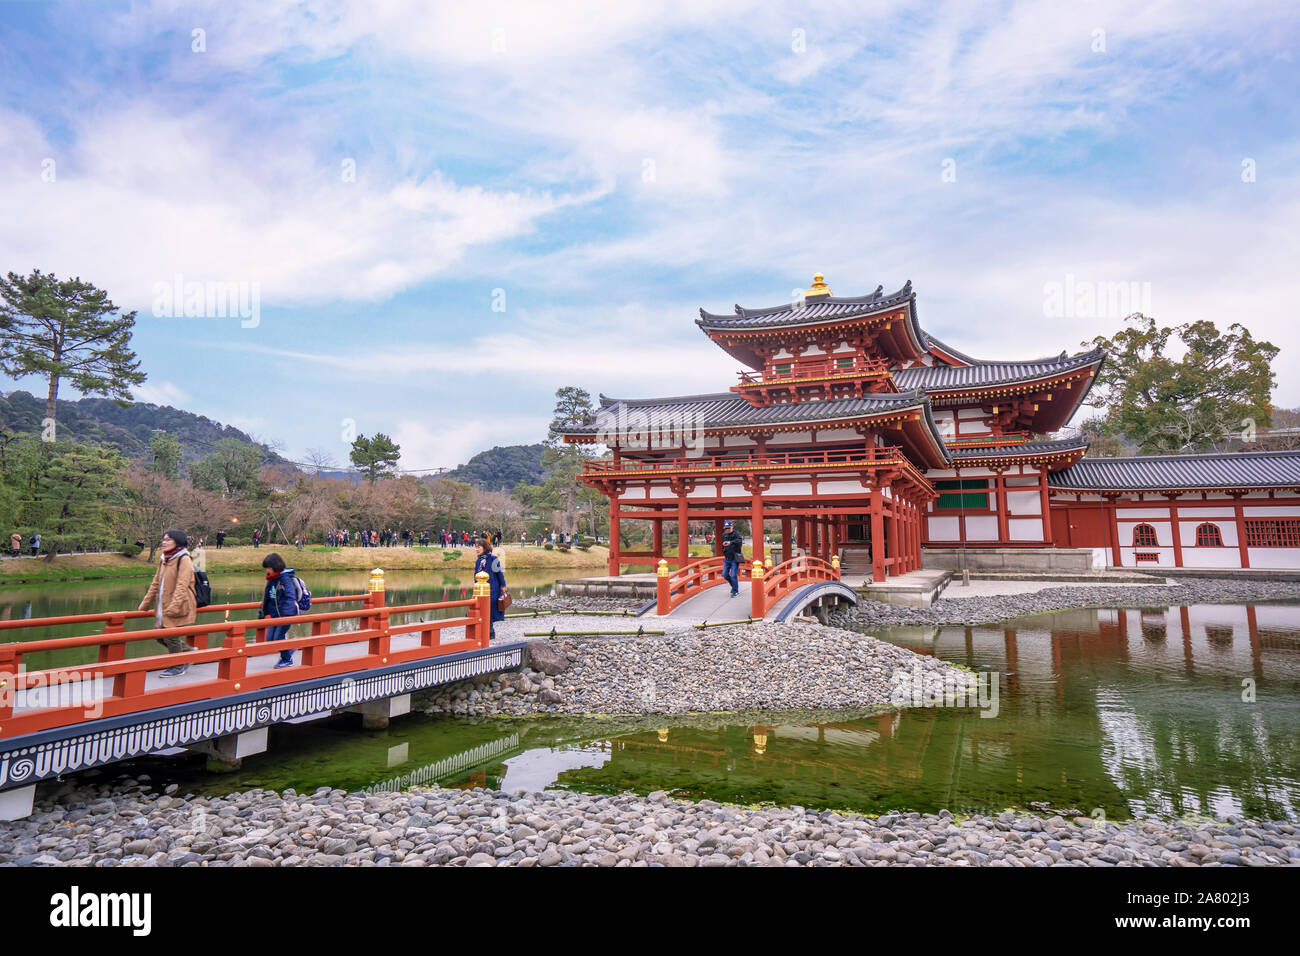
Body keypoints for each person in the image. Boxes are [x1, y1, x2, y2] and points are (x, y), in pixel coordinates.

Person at [138, 529, 198, 676]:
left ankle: (178, 666)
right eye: (163, 539)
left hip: (178, 604)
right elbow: (155, 583)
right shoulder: (165, 558)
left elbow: (182, 585)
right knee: (159, 635)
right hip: (163, 604)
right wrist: (144, 605)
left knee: (170, 635)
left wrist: (173, 607)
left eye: (168, 540)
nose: (164, 542)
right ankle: (188, 652)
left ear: (177, 542)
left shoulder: (184, 558)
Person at [259, 552, 301, 668]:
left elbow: (290, 596)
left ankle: (287, 660)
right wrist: (262, 613)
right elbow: (267, 598)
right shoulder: (271, 579)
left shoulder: (285, 578)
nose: (267, 570)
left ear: (275, 567)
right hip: (275, 615)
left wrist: (285, 615)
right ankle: (289, 649)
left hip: (285, 614)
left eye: (268, 568)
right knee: (270, 638)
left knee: (278, 637)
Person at [474, 537, 507, 641]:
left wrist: (503, 586)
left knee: (489, 610)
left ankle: (490, 632)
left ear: (484, 548)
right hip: (480, 589)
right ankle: (485, 632)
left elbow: (499, 573)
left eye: (478, 547)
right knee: (481, 609)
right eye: (476, 547)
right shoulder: (478, 561)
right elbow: (475, 575)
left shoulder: (493, 559)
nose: (476, 549)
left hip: (492, 588)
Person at [720, 520, 744, 598]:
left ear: (732, 527)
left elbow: (739, 541)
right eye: (726, 528)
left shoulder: (737, 534)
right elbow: (723, 545)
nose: (727, 530)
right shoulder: (724, 535)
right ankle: (733, 586)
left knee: (733, 575)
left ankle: (735, 591)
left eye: (728, 528)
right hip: (727, 558)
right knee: (725, 574)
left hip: (734, 558)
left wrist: (731, 542)